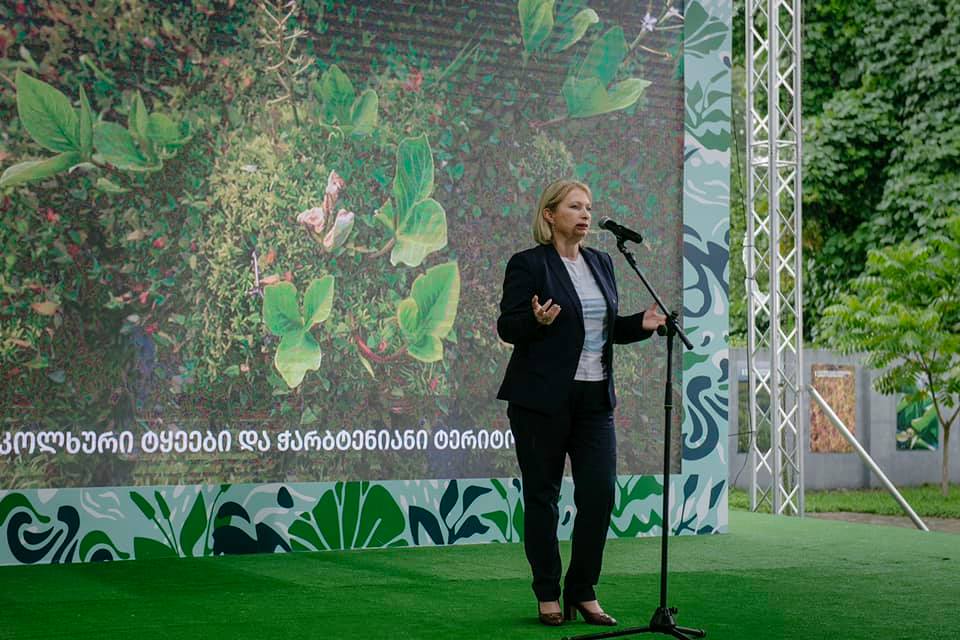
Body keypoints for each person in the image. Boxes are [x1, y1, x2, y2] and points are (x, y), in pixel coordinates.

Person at [496, 179, 666, 627]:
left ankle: (582, 589)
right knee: (543, 497)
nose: (586, 214)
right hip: (541, 400)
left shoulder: (602, 262)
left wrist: (641, 323)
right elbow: (508, 326)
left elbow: (604, 330)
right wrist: (535, 321)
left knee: (600, 494)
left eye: (588, 207)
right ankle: (548, 593)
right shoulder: (529, 264)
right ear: (550, 215)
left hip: (594, 399)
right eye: (575, 207)